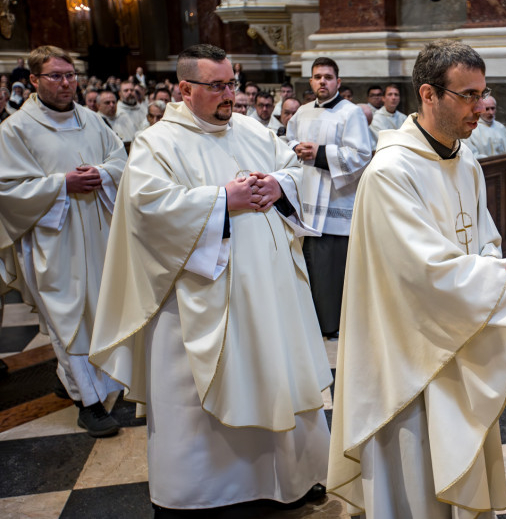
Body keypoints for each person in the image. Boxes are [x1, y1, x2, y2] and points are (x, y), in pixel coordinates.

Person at [88, 44, 333, 514]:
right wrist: (222, 199)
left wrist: (279, 184)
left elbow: (292, 169)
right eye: (217, 86)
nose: (229, 95)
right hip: (201, 297)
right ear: (185, 89)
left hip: (269, 292)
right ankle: (203, 495)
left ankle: (288, 480)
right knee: (198, 401)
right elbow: (147, 211)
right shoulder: (157, 143)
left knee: (274, 376)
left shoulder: (251, 129)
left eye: (231, 83)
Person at [327, 39, 506, 519]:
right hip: (409, 351)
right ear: (428, 94)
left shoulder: (465, 160)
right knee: (417, 479)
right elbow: (423, 270)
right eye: (468, 95)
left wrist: (502, 270)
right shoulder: (390, 172)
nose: (480, 107)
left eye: (482, 94)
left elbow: (485, 239)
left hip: (459, 330)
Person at [0, 45, 127, 437]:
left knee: (100, 311)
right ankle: (89, 404)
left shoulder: (92, 119)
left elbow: (121, 160)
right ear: (34, 80)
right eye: (55, 76)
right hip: (52, 238)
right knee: (67, 317)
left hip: (99, 233)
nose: (66, 83)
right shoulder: (15, 129)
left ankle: (74, 377)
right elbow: (6, 189)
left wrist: (104, 174)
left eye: (71, 75)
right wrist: (61, 184)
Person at [285, 57, 371, 340]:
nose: (322, 81)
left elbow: (361, 155)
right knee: (308, 268)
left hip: (336, 206)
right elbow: (286, 142)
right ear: (311, 81)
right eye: (317, 77)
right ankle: (310, 324)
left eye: (328, 77)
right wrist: (295, 148)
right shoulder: (301, 113)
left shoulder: (351, 113)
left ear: (338, 82)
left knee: (331, 271)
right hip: (305, 204)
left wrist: (320, 153)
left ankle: (331, 325)